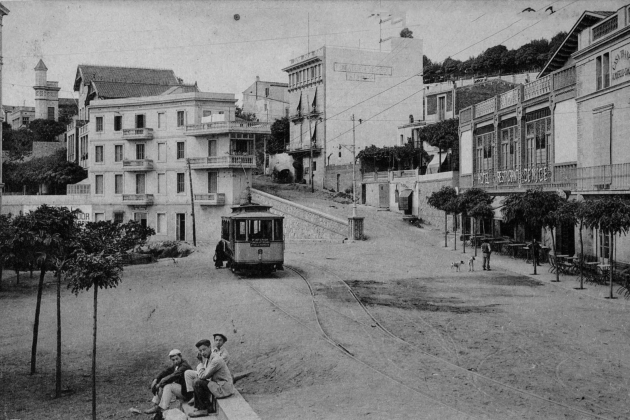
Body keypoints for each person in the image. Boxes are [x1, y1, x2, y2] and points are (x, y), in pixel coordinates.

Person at [188, 339, 235, 418]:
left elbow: (203, 376)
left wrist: (200, 363)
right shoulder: (209, 357)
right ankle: (204, 407)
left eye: (204, 349)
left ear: (210, 347)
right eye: (200, 351)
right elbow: (205, 373)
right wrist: (202, 362)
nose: (202, 353)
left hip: (223, 388)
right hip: (218, 384)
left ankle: (203, 409)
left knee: (197, 382)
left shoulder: (215, 360)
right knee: (197, 381)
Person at [144, 349, 193, 415]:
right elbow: (166, 372)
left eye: (177, 359)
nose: (175, 361)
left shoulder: (184, 365)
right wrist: (156, 379)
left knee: (168, 386)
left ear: (181, 356)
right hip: (184, 390)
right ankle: (156, 405)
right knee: (164, 384)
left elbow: (174, 375)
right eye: (173, 360)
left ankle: (162, 408)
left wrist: (160, 382)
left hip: (189, 393)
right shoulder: (176, 365)